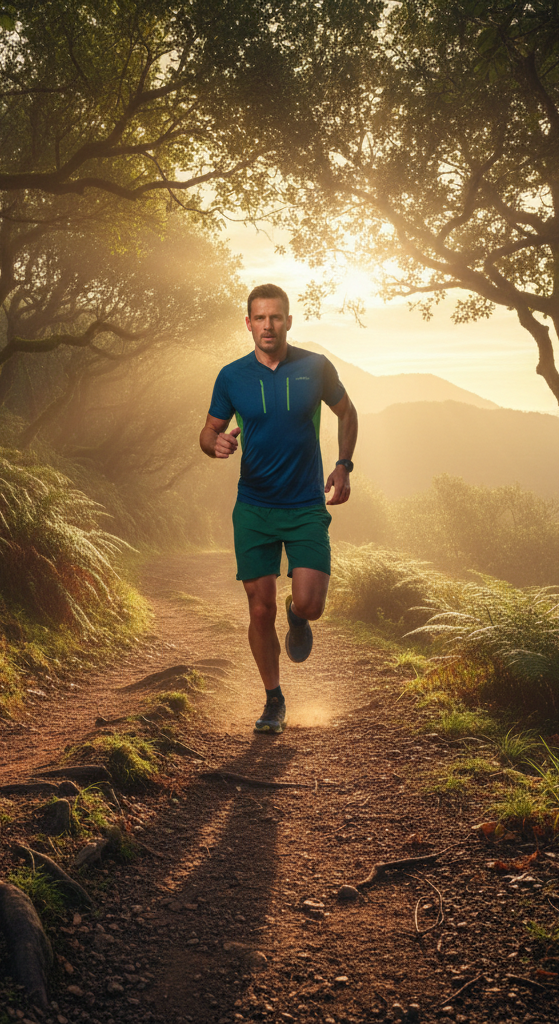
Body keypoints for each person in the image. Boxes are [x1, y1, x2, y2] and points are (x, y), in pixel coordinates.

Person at [199, 283, 358, 734]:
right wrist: (218, 444)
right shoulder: (232, 377)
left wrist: (343, 466)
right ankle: (274, 700)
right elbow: (207, 433)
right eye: (260, 318)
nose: (268, 325)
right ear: (248, 323)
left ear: (289, 321)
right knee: (258, 608)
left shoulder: (316, 367)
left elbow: (348, 413)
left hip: (306, 503)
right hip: (254, 506)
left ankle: (298, 614)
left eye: (276, 317)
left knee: (310, 605)